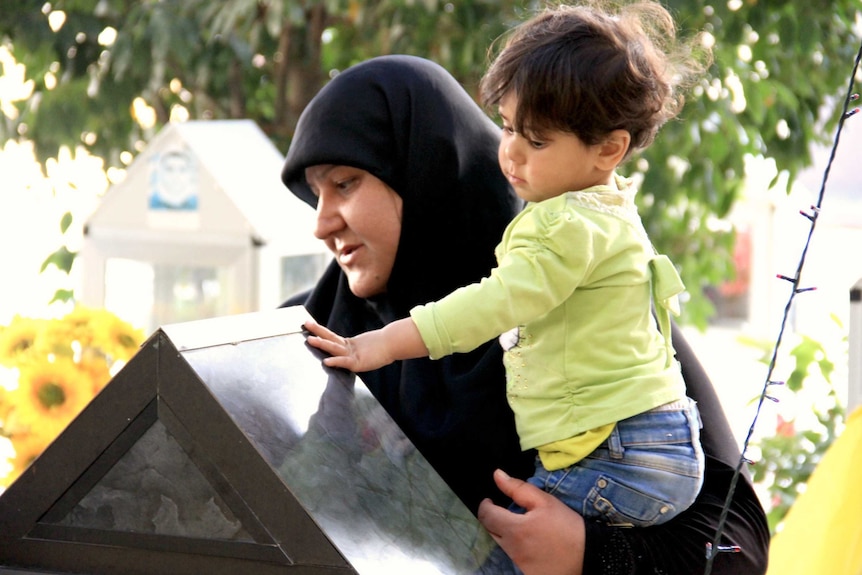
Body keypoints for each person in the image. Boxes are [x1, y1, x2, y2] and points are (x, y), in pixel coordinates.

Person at [281, 54, 769, 573]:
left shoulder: (581, 290)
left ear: (425, 167)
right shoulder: (314, 329)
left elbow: (737, 545)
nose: (321, 223)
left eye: (346, 183)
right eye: (315, 194)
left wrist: (591, 553)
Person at [304, 1, 705, 532]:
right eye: (508, 128)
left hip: (626, 452)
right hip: (661, 447)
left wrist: (381, 344)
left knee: (499, 545)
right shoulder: (609, 216)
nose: (511, 153)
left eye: (347, 183)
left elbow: (491, 304)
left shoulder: (560, 236)